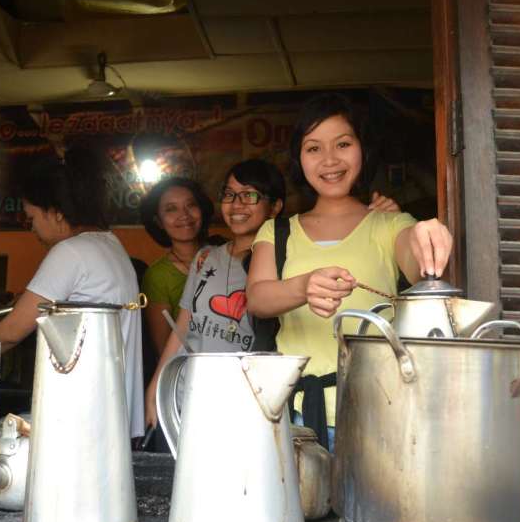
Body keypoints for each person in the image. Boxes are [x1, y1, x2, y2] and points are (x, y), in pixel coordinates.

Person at [246, 93, 453, 449]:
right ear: (299, 157)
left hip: (378, 411)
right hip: (293, 417)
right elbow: (257, 298)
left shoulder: (390, 224)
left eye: (343, 143)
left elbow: (417, 263)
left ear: (363, 149)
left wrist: (424, 233)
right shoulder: (278, 231)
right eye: (313, 148)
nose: (329, 160)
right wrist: (304, 286)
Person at [143, 158, 402, 429]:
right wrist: (156, 387)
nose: (236, 204)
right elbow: (183, 327)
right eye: (230, 194)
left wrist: (382, 216)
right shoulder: (206, 258)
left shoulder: (287, 261)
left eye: (250, 195)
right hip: (194, 397)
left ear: (275, 207)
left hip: (250, 403)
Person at [0, 147, 144, 439]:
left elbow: (10, 333)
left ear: (55, 213)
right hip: (112, 413)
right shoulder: (110, 244)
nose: (31, 229)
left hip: (88, 416)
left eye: (32, 218)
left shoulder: (71, 252)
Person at [139, 177, 214, 358]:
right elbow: (164, 350)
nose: (184, 215)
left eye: (191, 205)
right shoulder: (158, 276)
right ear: (158, 221)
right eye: (171, 209)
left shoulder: (225, 256)